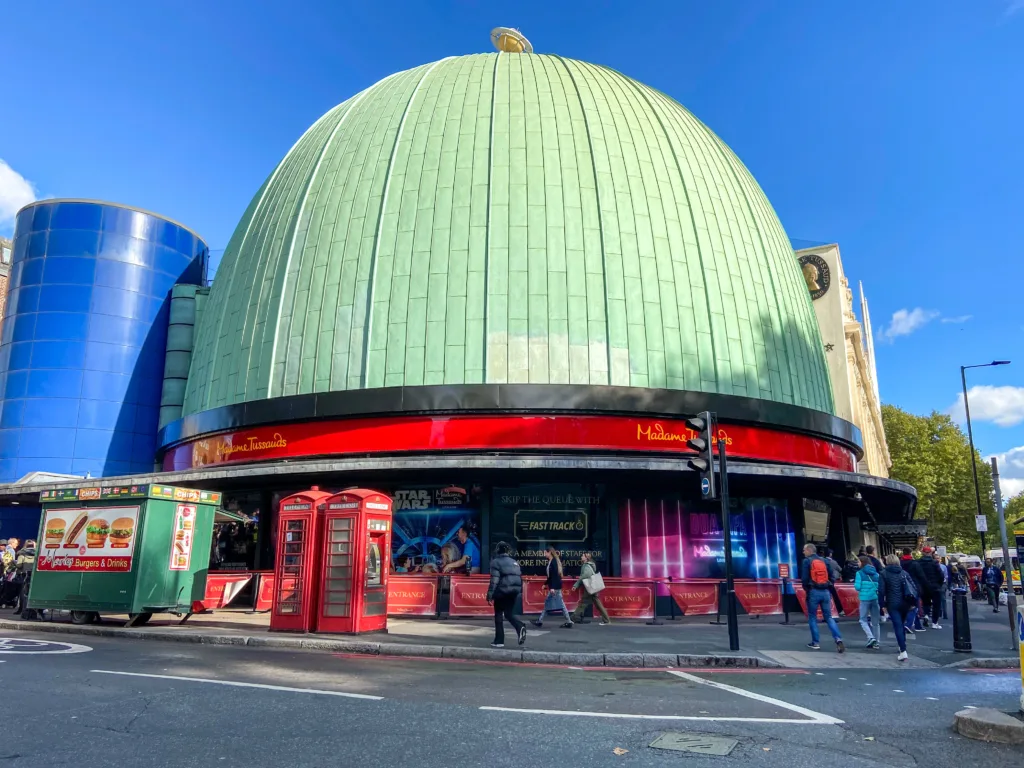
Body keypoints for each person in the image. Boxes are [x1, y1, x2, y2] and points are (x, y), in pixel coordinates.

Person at [801, 543, 845, 652]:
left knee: (812, 617)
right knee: (829, 617)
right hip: (825, 591)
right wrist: (829, 585)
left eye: (804, 550)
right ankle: (838, 639)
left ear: (809, 550)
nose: (803, 552)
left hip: (813, 591)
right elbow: (832, 575)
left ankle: (815, 643)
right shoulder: (825, 561)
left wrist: (807, 589)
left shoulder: (806, 561)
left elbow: (805, 578)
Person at [486, 541, 526, 648]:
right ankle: (520, 626)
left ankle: (499, 641)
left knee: (498, 615)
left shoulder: (496, 562)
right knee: (508, 614)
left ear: (498, 551)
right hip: (514, 592)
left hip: (502, 591)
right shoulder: (514, 562)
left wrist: (490, 595)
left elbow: (494, 580)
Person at [879, 554, 916, 662]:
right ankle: (902, 646)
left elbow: (881, 591)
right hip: (905, 603)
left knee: (897, 626)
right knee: (902, 624)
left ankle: (903, 651)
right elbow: (913, 587)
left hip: (892, 603)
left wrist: (882, 605)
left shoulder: (883, 573)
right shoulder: (904, 573)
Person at [532, 546, 573, 629]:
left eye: (545, 552)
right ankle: (540, 621)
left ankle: (568, 621)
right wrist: (545, 583)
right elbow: (550, 576)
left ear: (549, 552)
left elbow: (555, 575)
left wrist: (552, 587)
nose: (544, 554)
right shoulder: (551, 561)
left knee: (560, 604)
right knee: (551, 603)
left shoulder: (553, 562)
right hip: (554, 586)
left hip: (555, 587)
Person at [570, 552, 611, 625]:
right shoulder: (590, 565)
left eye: (582, 556)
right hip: (592, 587)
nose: (581, 557)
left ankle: (573, 618)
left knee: (583, 603)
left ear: (586, 558)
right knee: (597, 604)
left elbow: (585, 575)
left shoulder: (586, 566)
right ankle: (606, 620)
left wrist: (576, 584)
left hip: (590, 587)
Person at [854, 555, 881, 648]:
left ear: (862, 563)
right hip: (875, 598)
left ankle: (870, 637)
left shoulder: (859, 573)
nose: (857, 563)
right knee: (875, 622)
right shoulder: (876, 574)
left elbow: (857, 587)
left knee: (862, 620)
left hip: (865, 599)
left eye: (858, 561)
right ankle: (876, 642)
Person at [917, 547, 945, 629]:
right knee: (936, 604)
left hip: (923, 586)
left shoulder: (918, 563)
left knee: (926, 603)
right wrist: (939, 584)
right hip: (935, 586)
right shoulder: (934, 563)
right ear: (930, 553)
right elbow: (941, 575)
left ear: (922, 553)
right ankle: (934, 622)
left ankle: (926, 615)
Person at [901, 548, 926, 631]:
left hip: (902, 587)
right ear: (910, 553)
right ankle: (909, 624)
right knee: (915, 606)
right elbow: (921, 576)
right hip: (914, 587)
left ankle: (917, 625)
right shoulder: (915, 563)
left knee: (907, 605)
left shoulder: (900, 563)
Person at [13, 539, 35, 617]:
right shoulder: (36, 554)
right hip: (33, 575)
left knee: (23, 594)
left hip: (23, 575)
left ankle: (23, 611)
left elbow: (19, 565)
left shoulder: (22, 554)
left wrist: (14, 563)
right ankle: (31, 612)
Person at [821, 548, 846, 616]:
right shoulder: (833, 562)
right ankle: (838, 610)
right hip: (834, 581)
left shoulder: (821, 561)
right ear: (830, 554)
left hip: (823, 581)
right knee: (835, 596)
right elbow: (840, 569)